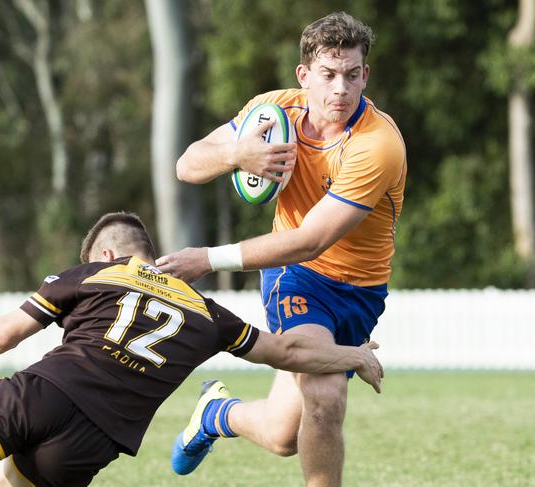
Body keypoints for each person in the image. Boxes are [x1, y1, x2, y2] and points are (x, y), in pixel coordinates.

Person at [0, 211, 383, 487]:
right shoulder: (210, 315)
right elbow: (288, 353)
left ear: (106, 256)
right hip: (94, 440)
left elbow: (5, 333)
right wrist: (356, 356)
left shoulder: (97, 275)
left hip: (43, 394)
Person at [158, 11, 406, 487]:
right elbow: (187, 164)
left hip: (360, 292)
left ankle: (216, 414)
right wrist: (236, 153)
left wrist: (207, 259)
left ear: (365, 75)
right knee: (327, 396)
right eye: (329, 76)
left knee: (281, 435)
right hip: (297, 275)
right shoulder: (272, 114)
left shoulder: (376, 146)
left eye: (352, 75)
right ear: (304, 76)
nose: (340, 89)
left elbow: (314, 235)